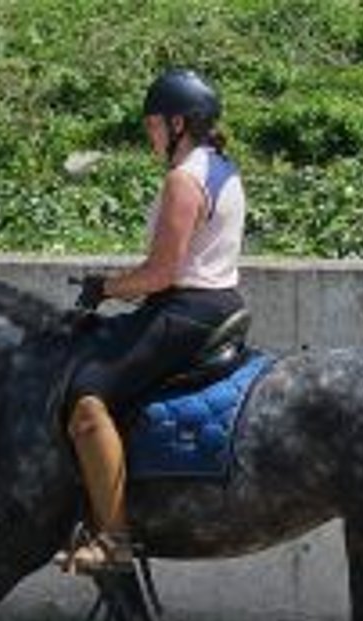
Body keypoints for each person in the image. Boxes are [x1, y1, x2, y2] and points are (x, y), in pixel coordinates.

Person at [60, 69, 248, 573]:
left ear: (179, 124)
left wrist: (105, 288)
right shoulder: (222, 168)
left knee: (86, 402)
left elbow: (162, 272)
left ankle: (114, 539)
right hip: (218, 303)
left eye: (153, 124)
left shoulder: (183, 179)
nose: (149, 134)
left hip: (187, 310)